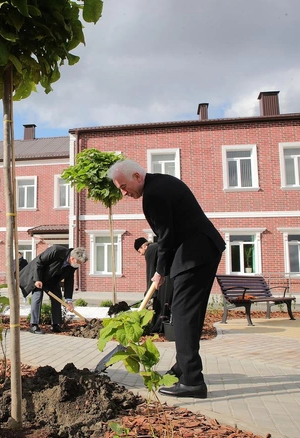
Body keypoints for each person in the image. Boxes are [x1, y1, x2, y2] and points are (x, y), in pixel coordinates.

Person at [108, 159, 225, 399]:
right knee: (188, 316)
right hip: (201, 251)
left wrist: (159, 271)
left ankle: (192, 381)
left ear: (137, 177)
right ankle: (182, 369)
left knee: (182, 317)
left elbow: (166, 237)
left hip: (194, 255)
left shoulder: (154, 195)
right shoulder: (161, 183)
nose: (123, 192)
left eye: (123, 186)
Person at [20, 246, 88, 334]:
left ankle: (55, 324)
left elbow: (69, 280)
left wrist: (69, 300)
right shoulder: (56, 251)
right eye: (79, 262)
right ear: (72, 258)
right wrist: (37, 279)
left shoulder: (73, 265)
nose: (79, 265)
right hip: (38, 274)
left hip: (52, 280)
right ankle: (34, 325)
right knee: (37, 296)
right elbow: (38, 262)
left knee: (57, 298)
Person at [134, 237, 173, 334]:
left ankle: (158, 327)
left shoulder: (150, 250)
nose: (141, 254)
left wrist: (149, 292)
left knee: (160, 303)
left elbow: (151, 271)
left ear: (144, 246)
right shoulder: (157, 247)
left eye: (139, 251)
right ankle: (168, 326)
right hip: (171, 277)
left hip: (163, 281)